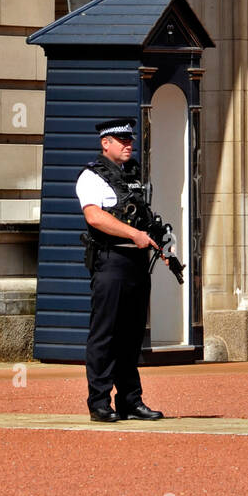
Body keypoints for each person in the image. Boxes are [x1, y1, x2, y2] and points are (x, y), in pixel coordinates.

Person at [76, 117, 167, 422]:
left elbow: (143, 217)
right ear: (106, 143)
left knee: (131, 335)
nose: (129, 145)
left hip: (137, 263)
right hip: (111, 260)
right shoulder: (92, 176)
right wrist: (133, 235)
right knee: (105, 334)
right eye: (122, 141)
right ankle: (99, 402)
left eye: (130, 141)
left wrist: (155, 240)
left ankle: (130, 400)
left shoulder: (134, 175)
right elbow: (95, 218)